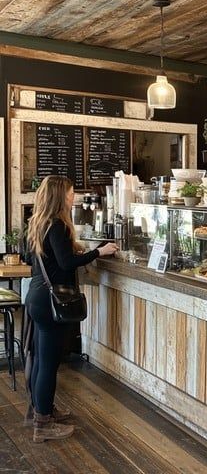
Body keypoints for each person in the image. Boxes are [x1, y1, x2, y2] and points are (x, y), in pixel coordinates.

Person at [25, 175, 118, 443]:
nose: (74, 196)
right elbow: (66, 264)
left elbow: (35, 258)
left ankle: (40, 411)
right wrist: (98, 252)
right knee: (49, 364)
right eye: (71, 192)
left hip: (36, 295)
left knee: (42, 359)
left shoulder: (37, 223)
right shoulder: (58, 226)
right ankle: (43, 424)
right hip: (53, 300)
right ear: (60, 195)